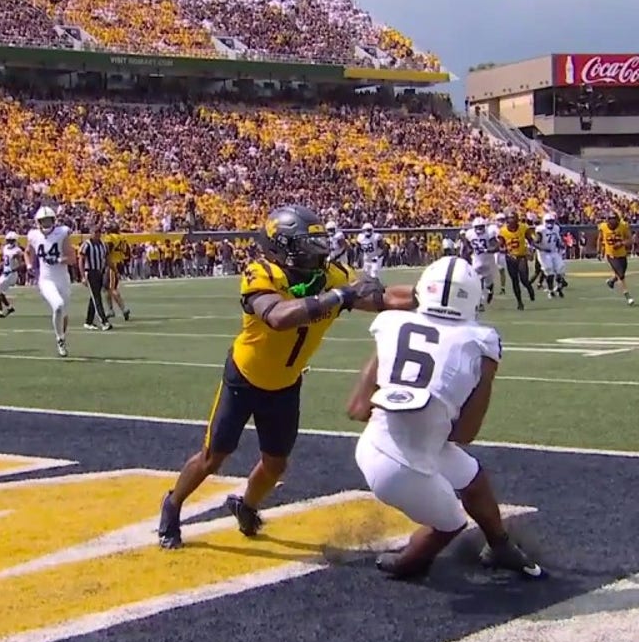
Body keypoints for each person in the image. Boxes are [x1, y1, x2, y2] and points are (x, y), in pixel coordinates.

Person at [157, 205, 417, 550]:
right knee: (214, 456)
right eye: (304, 246)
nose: (316, 254)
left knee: (276, 464)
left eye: (316, 245)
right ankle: (172, 504)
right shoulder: (261, 273)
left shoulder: (332, 278)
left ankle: (245, 504)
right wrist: (341, 296)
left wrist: (435, 294)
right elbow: (278, 316)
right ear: (280, 247)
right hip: (245, 378)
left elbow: (381, 298)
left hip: (286, 383)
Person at [347, 256, 546, 581]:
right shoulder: (480, 340)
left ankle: (500, 546)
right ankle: (408, 564)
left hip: (380, 444)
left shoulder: (391, 323)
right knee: (452, 523)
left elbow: (357, 409)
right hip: (400, 464)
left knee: (473, 479)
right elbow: (465, 432)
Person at [25, 205, 78, 357]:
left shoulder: (62, 233)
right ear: (38, 222)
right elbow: (28, 252)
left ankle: (62, 337)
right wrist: (29, 265)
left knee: (64, 313)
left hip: (63, 279)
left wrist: (60, 259)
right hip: (46, 279)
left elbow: (72, 258)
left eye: (49, 220)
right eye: (44, 221)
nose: (46, 224)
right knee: (58, 306)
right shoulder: (33, 235)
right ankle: (59, 339)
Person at [79, 225, 114, 331]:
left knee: (94, 297)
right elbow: (81, 260)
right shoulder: (87, 245)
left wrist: (115, 270)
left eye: (99, 232)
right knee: (97, 298)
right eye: (95, 232)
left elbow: (107, 259)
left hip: (100, 272)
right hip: (90, 273)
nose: (98, 234)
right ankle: (104, 321)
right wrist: (82, 276)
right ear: (91, 233)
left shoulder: (103, 245)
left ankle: (88, 321)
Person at [497, 214, 535, 309]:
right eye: (510, 220)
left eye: (513, 220)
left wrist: (530, 250)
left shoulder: (523, 227)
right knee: (515, 280)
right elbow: (501, 244)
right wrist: (501, 249)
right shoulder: (503, 231)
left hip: (521, 256)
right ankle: (519, 302)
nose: (511, 223)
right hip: (510, 257)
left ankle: (529, 287)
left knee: (524, 278)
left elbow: (530, 239)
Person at [598, 214, 635, 305]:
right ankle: (627, 295)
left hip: (622, 254)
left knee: (621, 273)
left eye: (614, 220)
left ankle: (611, 281)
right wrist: (599, 251)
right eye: (611, 220)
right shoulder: (603, 227)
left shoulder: (623, 226)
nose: (613, 222)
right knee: (621, 275)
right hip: (611, 255)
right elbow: (599, 239)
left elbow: (630, 240)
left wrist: (621, 243)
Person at [103, 223, 131, 322]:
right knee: (106, 287)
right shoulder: (123, 237)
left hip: (113, 263)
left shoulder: (110, 238)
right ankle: (110, 310)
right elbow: (128, 252)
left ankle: (124, 309)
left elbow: (106, 250)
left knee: (112, 288)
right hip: (120, 262)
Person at [537, 212, 567, 297]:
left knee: (560, 269)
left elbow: (557, 239)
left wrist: (560, 245)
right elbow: (536, 242)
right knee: (549, 271)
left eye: (551, 221)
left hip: (554, 252)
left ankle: (558, 287)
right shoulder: (540, 229)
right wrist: (542, 248)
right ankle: (550, 291)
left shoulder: (556, 228)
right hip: (544, 253)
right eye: (548, 221)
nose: (550, 223)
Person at [0, 232, 20, 318]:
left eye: (11, 240)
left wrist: (14, 268)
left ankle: (1, 312)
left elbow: (21, 263)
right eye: (8, 240)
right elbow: (4, 261)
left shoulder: (17, 251)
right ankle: (9, 308)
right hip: (6, 273)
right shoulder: (6, 248)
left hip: (11, 274)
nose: (10, 242)